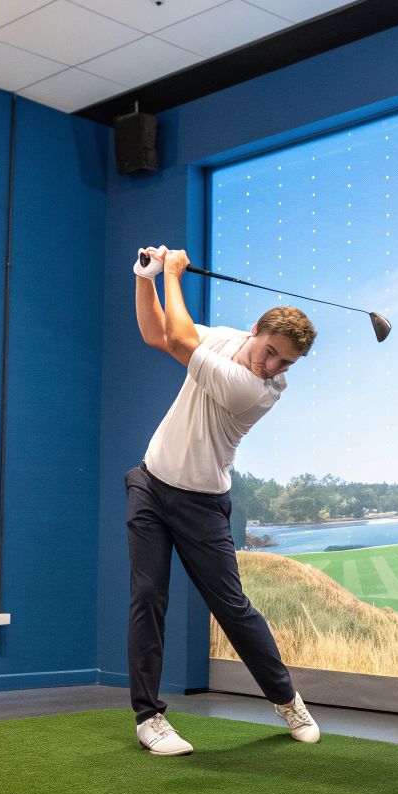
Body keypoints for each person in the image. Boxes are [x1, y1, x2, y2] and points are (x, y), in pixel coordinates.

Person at [127, 245, 321, 755]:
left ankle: (287, 700)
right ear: (255, 330)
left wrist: (172, 273)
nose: (273, 365)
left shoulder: (255, 389)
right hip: (150, 483)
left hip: (202, 503)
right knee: (148, 597)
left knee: (233, 608)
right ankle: (149, 718)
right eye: (271, 351)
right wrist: (145, 277)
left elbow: (180, 339)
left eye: (286, 362)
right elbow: (157, 334)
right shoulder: (227, 340)